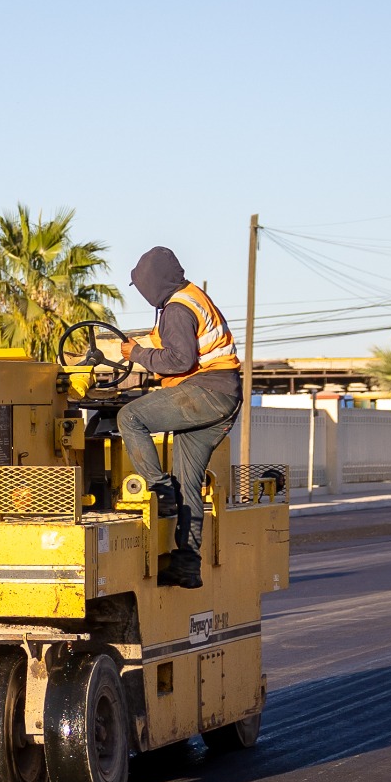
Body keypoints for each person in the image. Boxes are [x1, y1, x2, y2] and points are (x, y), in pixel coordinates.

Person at [117, 246, 243, 589]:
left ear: (151, 283)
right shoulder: (191, 297)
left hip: (207, 392)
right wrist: (139, 349)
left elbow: (179, 361)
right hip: (224, 396)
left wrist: (137, 354)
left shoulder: (176, 309)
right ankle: (187, 566)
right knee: (190, 484)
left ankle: (160, 489)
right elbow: (175, 348)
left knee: (130, 418)